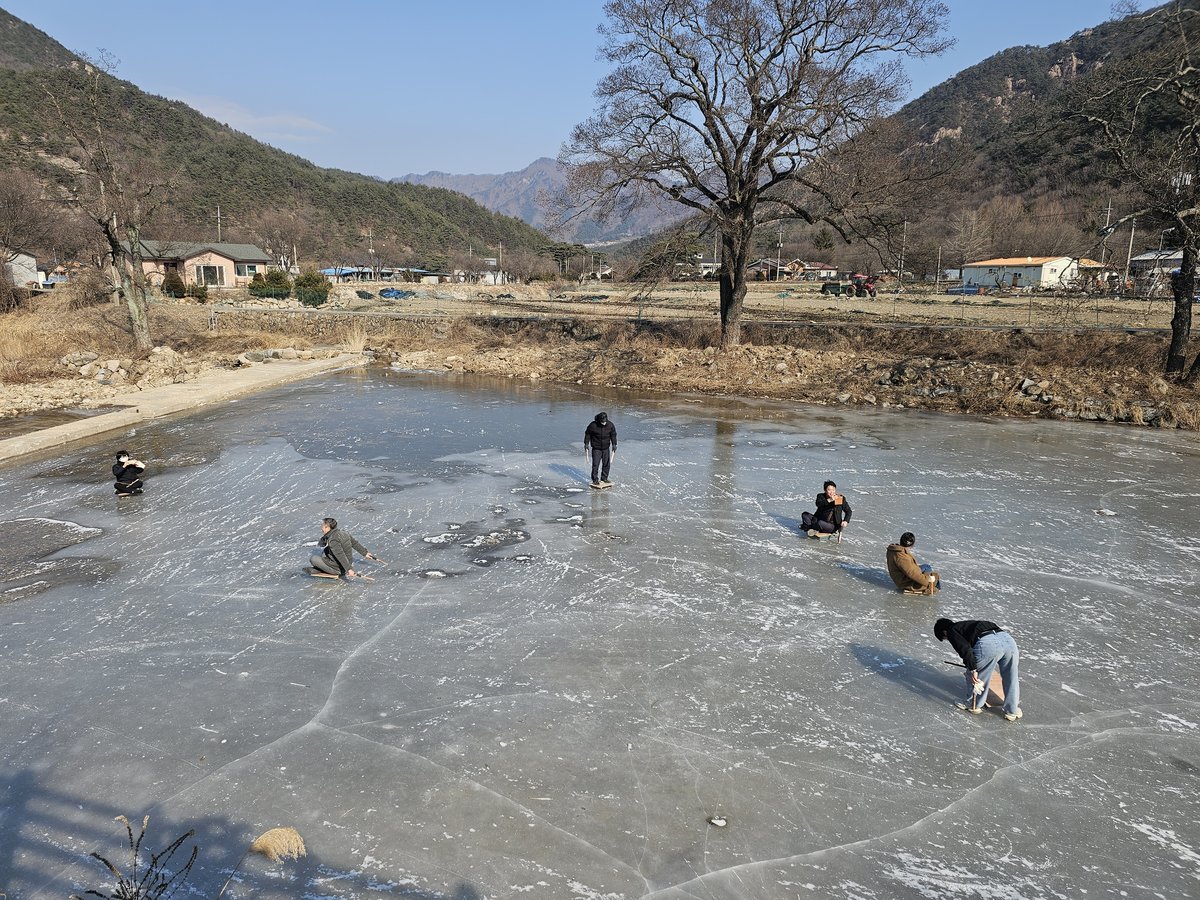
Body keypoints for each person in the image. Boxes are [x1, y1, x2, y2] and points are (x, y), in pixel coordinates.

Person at [934, 617, 1022, 721]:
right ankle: (1012, 710)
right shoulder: (969, 625)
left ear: (944, 632)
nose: (948, 639)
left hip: (988, 644)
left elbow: (965, 650)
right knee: (1011, 677)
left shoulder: (951, 630)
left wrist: (973, 669)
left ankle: (973, 704)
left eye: (946, 638)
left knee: (977, 676)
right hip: (1008, 641)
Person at [310, 517, 376, 579]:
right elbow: (354, 543)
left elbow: (340, 554)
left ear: (327, 527)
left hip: (340, 568)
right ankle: (331, 567)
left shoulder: (333, 540)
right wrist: (365, 553)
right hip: (347, 563)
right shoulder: (344, 532)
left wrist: (349, 569)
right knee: (326, 549)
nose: (321, 528)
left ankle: (335, 571)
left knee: (313, 559)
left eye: (322, 526)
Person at [584, 411, 617, 487]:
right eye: (602, 421)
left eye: (605, 421)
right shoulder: (593, 425)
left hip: (606, 448)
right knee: (595, 464)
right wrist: (586, 443)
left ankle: (604, 478)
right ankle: (595, 480)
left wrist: (614, 444)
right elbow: (587, 434)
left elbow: (613, 435)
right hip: (596, 448)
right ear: (599, 420)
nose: (604, 423)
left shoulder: (610, 425)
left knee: (606, 464)